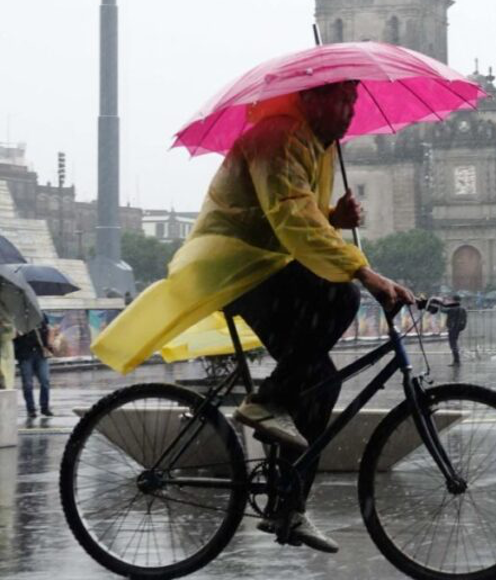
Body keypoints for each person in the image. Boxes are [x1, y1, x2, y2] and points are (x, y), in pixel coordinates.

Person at [92, 81, 415, 554]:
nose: (349, 111)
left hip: (264, 263)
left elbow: (298, 213)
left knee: (318, 381)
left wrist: (333, 218)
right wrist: (366, 273)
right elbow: (291, 220)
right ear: (310, 99)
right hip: (233, 264)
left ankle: (289, 505)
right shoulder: (278, 137)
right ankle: (265, 403)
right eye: (339, 100)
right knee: (342, 298)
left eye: (353, 101)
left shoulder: (318, 146)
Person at [15, 319, 54, 417]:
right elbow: (13, 335)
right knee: (28, 384)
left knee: (45, 381)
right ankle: (31, 409)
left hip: (40, 353)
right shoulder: (18, 317)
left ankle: (44, 408)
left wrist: (49, 342)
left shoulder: (39, 315)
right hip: (24, 355)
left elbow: (49, 329)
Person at [443, 294, 468, 366]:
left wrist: (442, 303)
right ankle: (456, 360)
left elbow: (443, 310)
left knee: (453, 344)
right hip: (458, 328)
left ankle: (457, 361)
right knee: (454, 343)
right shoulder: (462, 308)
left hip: (452, 328)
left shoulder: (452, 308)